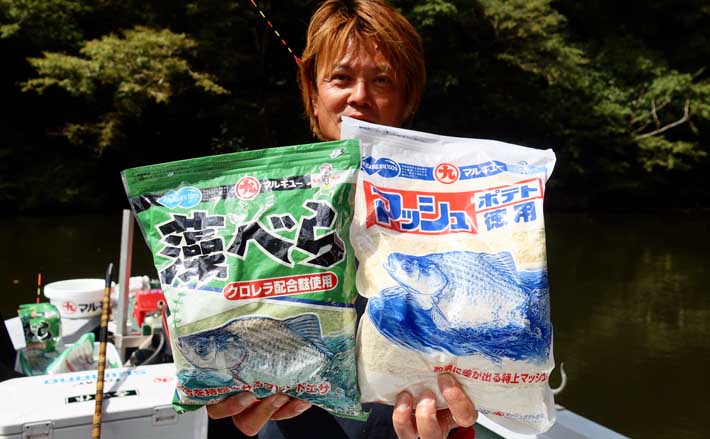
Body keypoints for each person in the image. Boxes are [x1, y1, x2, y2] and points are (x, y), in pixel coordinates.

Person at [207, 1, 478, 438]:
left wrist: (457, 422)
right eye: (341, 78)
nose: (359, 96)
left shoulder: (451, 213)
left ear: (405, 101)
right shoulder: (257, 216)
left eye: (382, 80)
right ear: (314, 98)